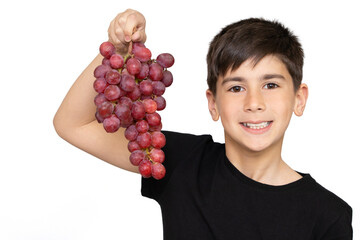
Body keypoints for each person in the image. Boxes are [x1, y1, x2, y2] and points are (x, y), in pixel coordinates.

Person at [53, 8, 353, 239]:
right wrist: (118, 50)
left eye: (271, 85)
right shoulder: (182, 160)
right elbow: (73, 125)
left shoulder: (328, 215)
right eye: (236, 87)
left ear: (299, 99)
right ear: (213, 103)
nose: (254, 102)